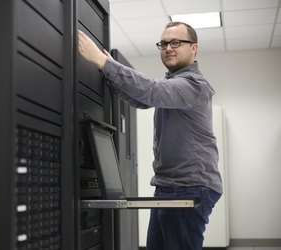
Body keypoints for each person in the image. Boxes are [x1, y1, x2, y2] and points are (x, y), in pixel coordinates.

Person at [78, 22, 223, 250]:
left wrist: (105, 62)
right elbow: (142, 99)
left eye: (176, 42)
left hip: (189, 185)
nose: (168, 48)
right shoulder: (173, 83)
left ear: (194, 48)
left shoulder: (194, 85)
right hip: (170, 185)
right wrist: (106, 73)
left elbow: (152, 91)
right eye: (164, 43)